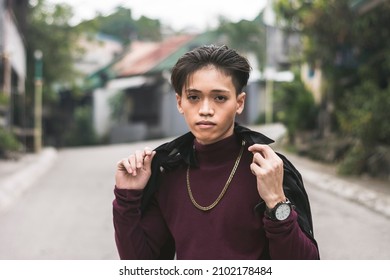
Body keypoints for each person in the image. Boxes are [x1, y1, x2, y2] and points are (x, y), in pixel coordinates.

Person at [112, 45, 319, 260]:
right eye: (194, 97)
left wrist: (276, 201)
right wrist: (127, 197)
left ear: (239, 103)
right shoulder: (167, 171)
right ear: (179, 102)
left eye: (219, 98)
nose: (205, 110)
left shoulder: (269, 169)